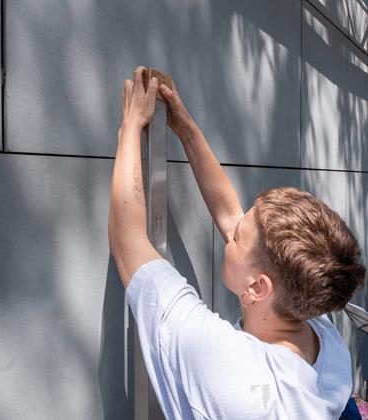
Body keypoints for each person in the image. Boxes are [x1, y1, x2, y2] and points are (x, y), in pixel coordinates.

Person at [108, 66, 367, 419]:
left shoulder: (228, 368)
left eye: (238, 239)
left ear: (258, 287)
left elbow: (128, 241)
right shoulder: (323, 335)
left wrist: (130, 126)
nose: (231, 233)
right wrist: (184, 127)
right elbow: (231, 216)